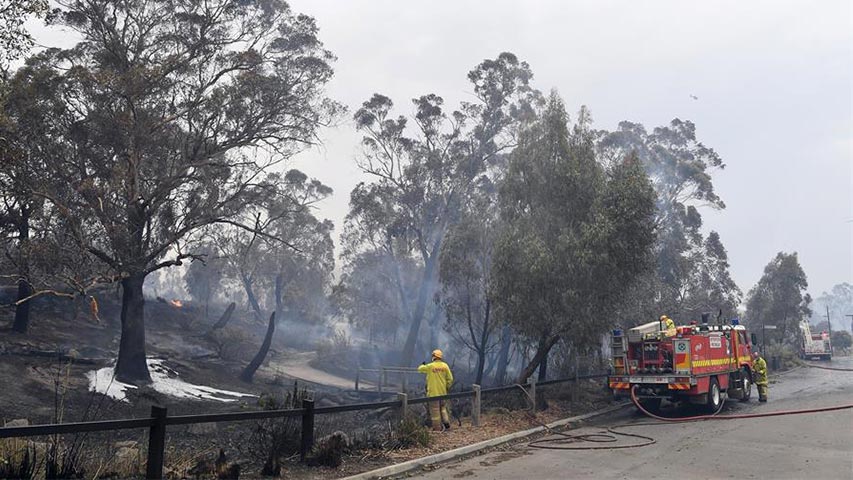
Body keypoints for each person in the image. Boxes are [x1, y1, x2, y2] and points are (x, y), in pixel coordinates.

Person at [418, 349, 454, 431]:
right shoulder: (445, 366)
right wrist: (447, 387)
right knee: (443, 408)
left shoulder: (430, 366)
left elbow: (420, 369)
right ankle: (446, 422)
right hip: (442, 392)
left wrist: (422, 364)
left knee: (435, 412)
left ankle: (437, 429)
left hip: (433, 393)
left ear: (434, 357)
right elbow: (450, 379)